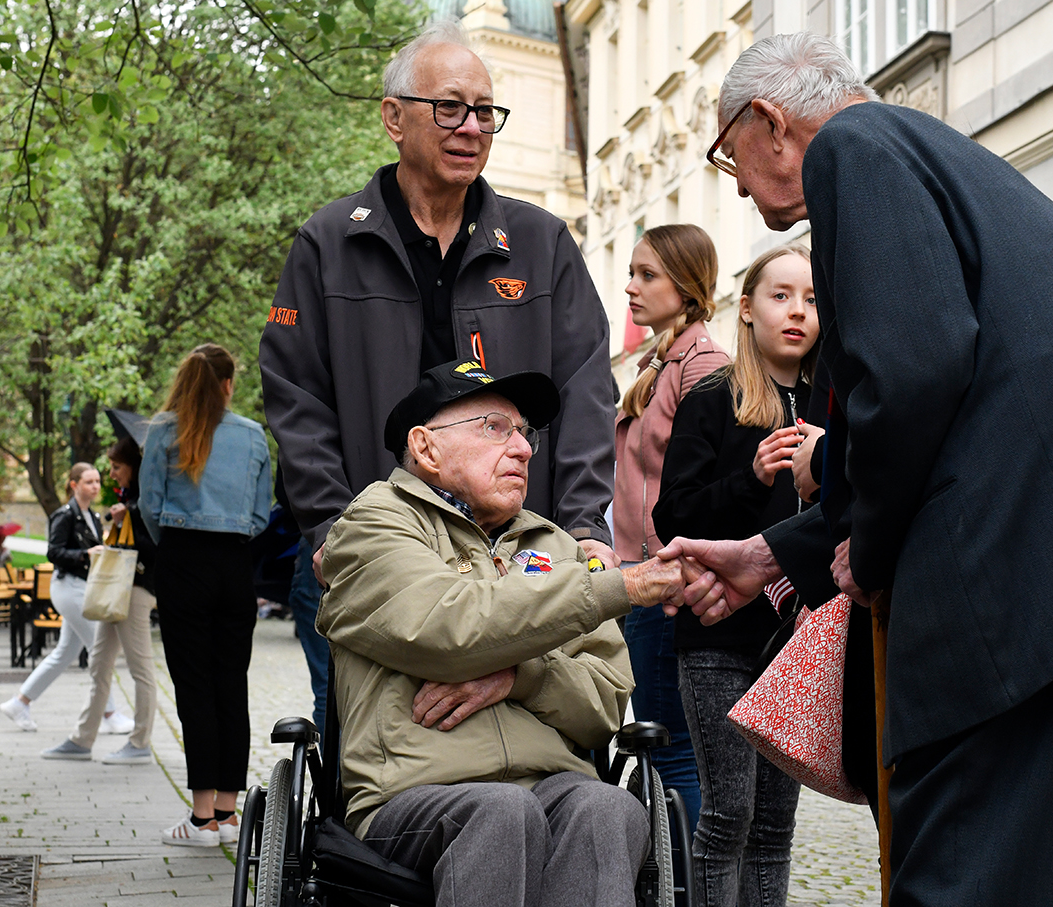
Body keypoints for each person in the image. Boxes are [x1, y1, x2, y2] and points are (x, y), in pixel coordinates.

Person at [666, 32, 1053, 904]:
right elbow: (952, 400)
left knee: (969, 871)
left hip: (1017, 584)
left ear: (767, 121)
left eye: (727, 151)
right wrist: (775, 554)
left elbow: (914, 375)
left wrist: (870, 552)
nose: (733, 180)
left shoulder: (852, 148)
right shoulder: (944, 161)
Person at [260, 18, 617, 586]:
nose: (472, 128)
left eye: (484, 111)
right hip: (381, 555)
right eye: (449, 108)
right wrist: (331, 529)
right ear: (393, 118)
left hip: (524, 558)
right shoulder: (327, 243)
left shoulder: (541, 244)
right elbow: (295, 395)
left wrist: (584, 526)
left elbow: (587, 390)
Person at [317, 358, 686, 907]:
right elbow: (447, 625)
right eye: (495, 428)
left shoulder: (556, 546)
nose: (523, 449)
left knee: (610, 808)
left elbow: (605, 706)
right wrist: (619, 587)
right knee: (501, 812)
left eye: (525, 433)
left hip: (552, 784)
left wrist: (522, 678)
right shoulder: (373, 523)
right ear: (426, 448)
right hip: (414, 792)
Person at [653, 244, 819, 907]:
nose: (797, 311)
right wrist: (750, 477)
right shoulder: (713, 400)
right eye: (780, 295)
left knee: (776, 825)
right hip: (720, 638)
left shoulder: (832, 405)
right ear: (746, 309)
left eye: (810, 299)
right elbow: (673, 518)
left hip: (800, 645)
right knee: (728, 815)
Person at [613, 223, 730, 830]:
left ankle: (684, 883)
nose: (630, 287)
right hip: (638, 573)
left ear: (686, 288)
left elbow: (706, 485)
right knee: (658, 741)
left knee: (673, 749)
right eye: (631, 272)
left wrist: (674, 566)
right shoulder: (661, 360)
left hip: (667, 577)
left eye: (647, 275)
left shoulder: (705, 364)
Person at [139, 343, 272, 847]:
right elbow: (262, 514)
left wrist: (176, 542)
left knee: (193, 686)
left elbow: (149, 506)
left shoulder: (163, 430)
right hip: (234, 564)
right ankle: (229, 814)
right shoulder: (252, 434)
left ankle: (200, 820)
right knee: (230, 683)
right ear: (228, 383)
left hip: (182, 560)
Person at [41, 436, 159, 765]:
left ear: (133, 467)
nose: (111, 474)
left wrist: (130, 516)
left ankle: (140, 743)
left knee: (140, 669)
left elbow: (154, 547)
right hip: (118, 590)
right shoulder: (131, 497)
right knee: (99, 665)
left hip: (134, 590)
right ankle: (82, 739)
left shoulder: (145, 498)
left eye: (116, 467)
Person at [0, 464, 132, 736]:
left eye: (97, 481)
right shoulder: (65, 515)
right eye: (88, 482)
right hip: (68, 587)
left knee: (66, 652)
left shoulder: (93, 516)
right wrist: (85, 554)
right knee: (99, 648)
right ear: (74, 485)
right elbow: (53, 552)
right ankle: (108, 713)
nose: (95, 487)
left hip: (83, 587)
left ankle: (19, 703)